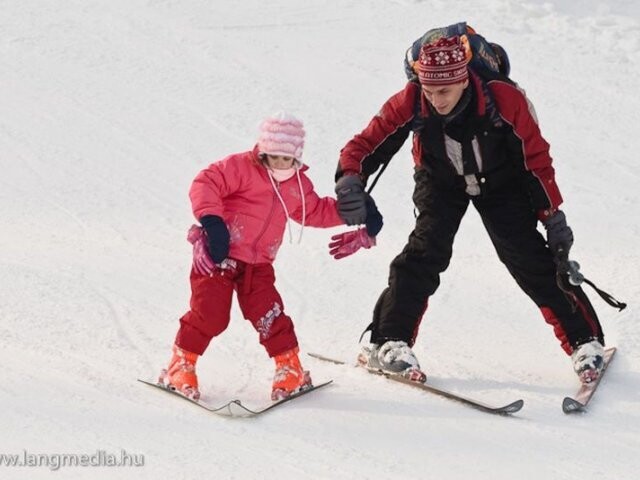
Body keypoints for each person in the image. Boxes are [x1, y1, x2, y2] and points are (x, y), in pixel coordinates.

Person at [332, 34, 606, 385]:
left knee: (528, 256)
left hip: (501, 181)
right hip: (439, 179)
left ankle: (584, 340)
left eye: (443, 92)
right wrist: (349, 180)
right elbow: (366, 142)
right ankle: (390, 341)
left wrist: (553, 217)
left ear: (463, 80)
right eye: (429, 91)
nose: (435, 100)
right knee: (424, 253)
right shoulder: (414, 99)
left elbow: (535, 159)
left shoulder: (504, 99)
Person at [160, 112, 382, 401]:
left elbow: (313, 211)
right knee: (209, 314)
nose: (279, 163)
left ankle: (289, 368)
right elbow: (206, 183)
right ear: (263, 150)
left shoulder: (297, 185)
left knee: (270, 315)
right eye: (273, 156)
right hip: (219, 256)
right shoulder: (240, 167)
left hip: (259, 265)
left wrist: (351, 211)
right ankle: (181, 362)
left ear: (296, 157)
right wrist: (213, 222)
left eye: (286, 158)